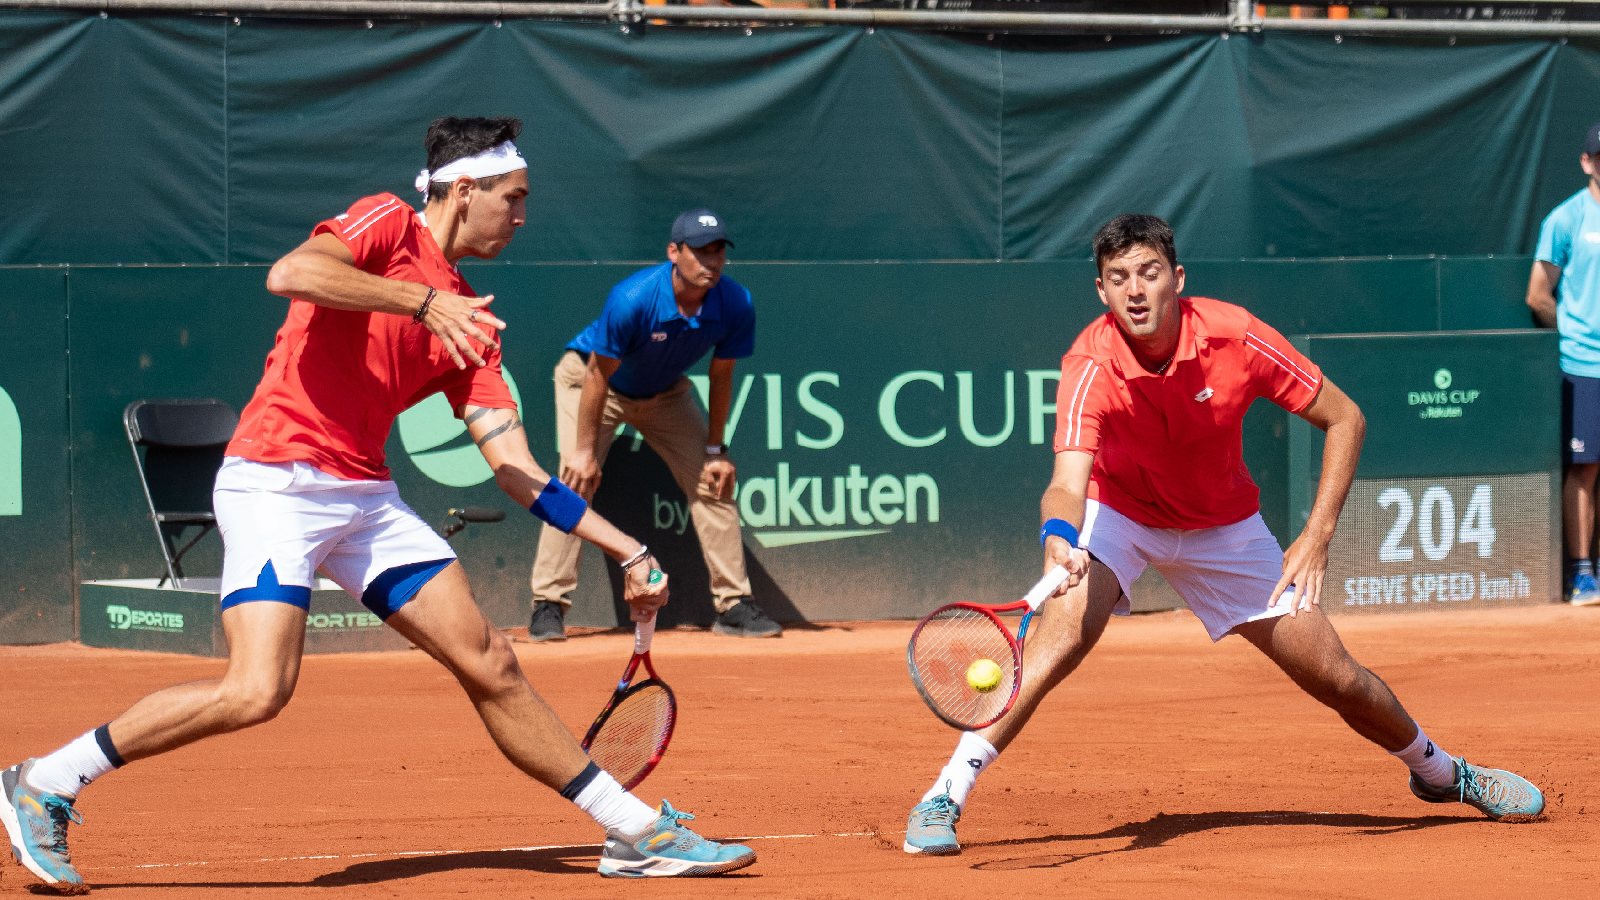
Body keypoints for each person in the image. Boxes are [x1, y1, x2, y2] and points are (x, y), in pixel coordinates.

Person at [0, 117, 755, 891]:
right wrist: (421, 303)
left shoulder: (473, 322)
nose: (522, 217)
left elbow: (517, 471)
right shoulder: (387, 223)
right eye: (514, 199)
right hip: (276, 481)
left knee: (490, 660)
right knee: (258, 690)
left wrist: (624, 545)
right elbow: (292, 273)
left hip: (365, 498)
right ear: (465, 191)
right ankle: (46, 780)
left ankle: (632, 831)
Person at [902, 213, 1545, 856]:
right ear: (1102, 292)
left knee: (1338, 678)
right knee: (1061, 633)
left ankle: (1441, 774)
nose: (1135, 290)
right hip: (1120, 514)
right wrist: (1058, 536)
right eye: (1118, 278)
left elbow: (1345, 418)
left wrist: (1317, 534)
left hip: (1224, 530)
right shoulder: (1089, 363)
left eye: (1149, 273)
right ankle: (945, 795)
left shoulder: (1234, 337)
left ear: (1176, 279)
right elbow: (1067, 481)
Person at [526, 209, 780, 640]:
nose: (711, 262)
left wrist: (717, 450)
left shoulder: (735, 302)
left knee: (712, 479)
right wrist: (584, 452)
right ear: (673, 252)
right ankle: (548, 604)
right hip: (592, 384)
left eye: (718, 252)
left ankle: (734, 604)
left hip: (665, 394)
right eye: (700, 252)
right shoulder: (634, 298)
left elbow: (721, 375)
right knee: (574, 482)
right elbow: (596, 374)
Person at [1528, 121, 1600, 607]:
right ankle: (1581, 575)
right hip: (1583, 364)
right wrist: (1576, 330)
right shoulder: (1565, 219)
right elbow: (1538, 295)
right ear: (1586, 161)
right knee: (1587, 467)